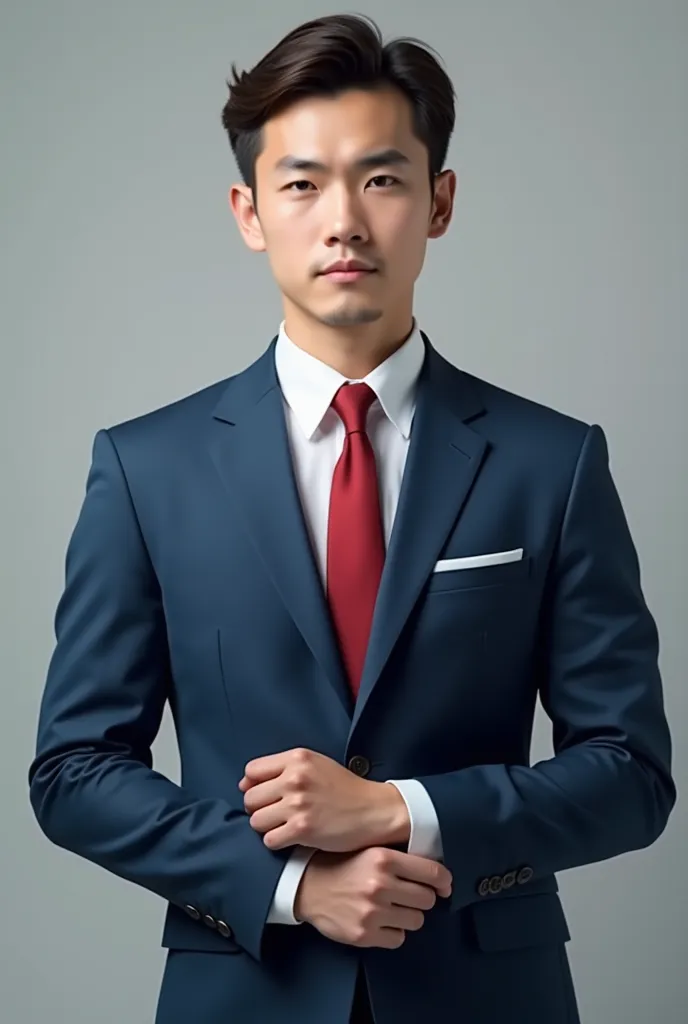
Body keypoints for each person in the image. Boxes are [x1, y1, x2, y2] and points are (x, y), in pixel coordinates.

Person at [28, 13, 675, 1024]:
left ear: (438, 201)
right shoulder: (145, 468)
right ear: (248, 212)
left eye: (380, 179)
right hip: (241, 991)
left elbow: (630, 775)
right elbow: (73, 771)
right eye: (302, 184)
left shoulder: (552, 461)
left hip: (488, 995)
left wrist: (399, 811)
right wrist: (286, 886)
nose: (344, 221)